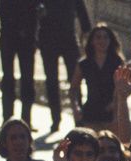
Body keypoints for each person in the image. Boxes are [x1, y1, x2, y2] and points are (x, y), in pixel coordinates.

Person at [34, 0, 86, 133]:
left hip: (68, 38)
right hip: (48, 39)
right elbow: (33, 10)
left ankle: (78, 117)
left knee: (75, 80)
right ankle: (55, 119)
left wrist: (86, 30)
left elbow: (81, 10)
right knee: (51, 81)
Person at [0, 0, 38, 127]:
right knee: (8, 78)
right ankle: (7, 118)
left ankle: (26, 119)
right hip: (9, 35)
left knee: (27, 79)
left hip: (27, 38)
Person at [69, 23, 119, 133]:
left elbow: (127, 87)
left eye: (106, 37)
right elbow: (73, 88)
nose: (102, 41)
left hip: (112, 113)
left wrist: (115, 103)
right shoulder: (84, 64)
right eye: (98, 37)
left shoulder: (117, 62)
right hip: (91, 112)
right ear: (92, 41)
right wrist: (75, 107)